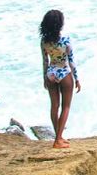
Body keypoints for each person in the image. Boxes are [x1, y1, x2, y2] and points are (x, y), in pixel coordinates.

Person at [40, 9, 81, 148]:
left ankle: (59, 137)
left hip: (51, 74)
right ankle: (57, 139)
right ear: (60, 25)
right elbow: (71, 61)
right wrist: (77, 78)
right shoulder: (66, 40)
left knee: (54, 106)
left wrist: (44, 77)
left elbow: (45, 61)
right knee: (66, 106)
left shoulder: (44, 42)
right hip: (64, 74)